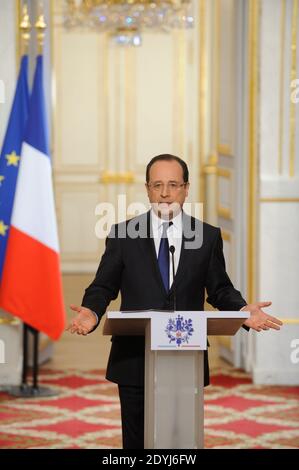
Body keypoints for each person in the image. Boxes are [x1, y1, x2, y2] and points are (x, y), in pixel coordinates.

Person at [67, 154, 282, 449]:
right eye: (157, 185)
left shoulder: (207, 237)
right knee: (137, 443)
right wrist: (91, 311)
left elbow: (219, 289)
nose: (165, 193)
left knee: (181, 442)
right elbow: (103, 285)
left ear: (186, 188)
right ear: (147, 189)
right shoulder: (122, 235)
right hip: (134, 357)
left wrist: (242, 310)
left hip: (186, 356)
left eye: (172, 184)